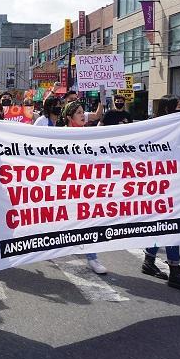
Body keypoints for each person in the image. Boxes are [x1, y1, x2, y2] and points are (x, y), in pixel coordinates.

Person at [141, 94, 180, 290]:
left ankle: (149, 261)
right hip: (159, 184)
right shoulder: (155, 128)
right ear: (167, 109)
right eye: (177, 107)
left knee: (163, 224)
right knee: (171, 225)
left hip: (173, 183)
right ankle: (175, 270)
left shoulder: (179, 128)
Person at [56, 100, 108, 275]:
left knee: (87, 221)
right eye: (79, 113)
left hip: (85, 187)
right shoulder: (60, 135)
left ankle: (92, 258)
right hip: (64, 187)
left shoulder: (90, 134)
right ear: (70, 117)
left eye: (82, 112)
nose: (82, 115)